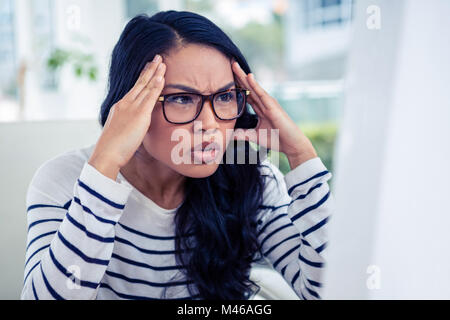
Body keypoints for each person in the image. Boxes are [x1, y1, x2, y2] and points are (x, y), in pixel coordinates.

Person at [21, 10, 334, 300]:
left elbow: (331, 291)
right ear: (129, 103)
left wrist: (301, 154)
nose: (209, 125)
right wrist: (104, 166)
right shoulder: (62, 180)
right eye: (182, 98)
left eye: (225, 96)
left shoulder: (253, 178)